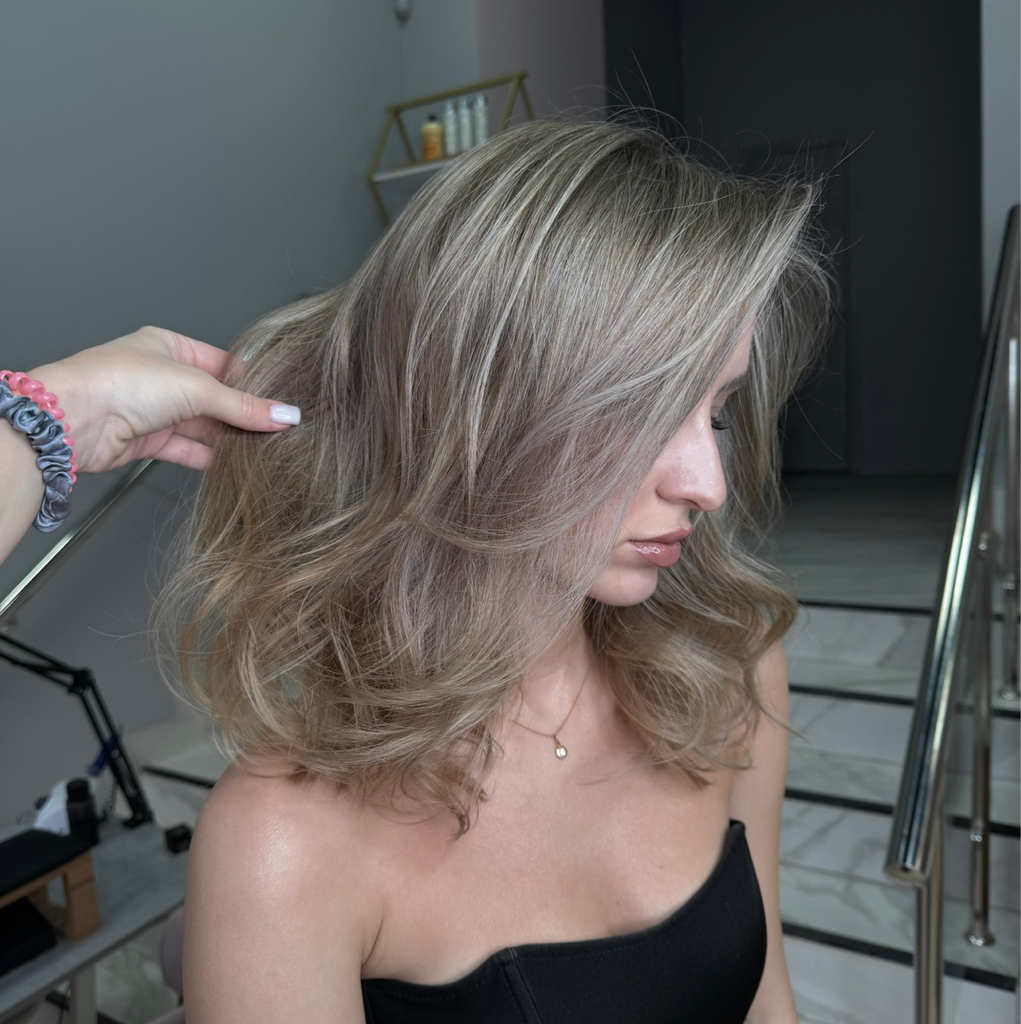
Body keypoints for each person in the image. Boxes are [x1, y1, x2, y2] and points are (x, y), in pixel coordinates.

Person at [4, 117, 828, 1023]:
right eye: (638, 411)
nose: (707, 483)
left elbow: (767, 999)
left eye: (716, 410)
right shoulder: (287, 841)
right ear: (467, 413)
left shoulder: (728, 670)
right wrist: (52, 415)